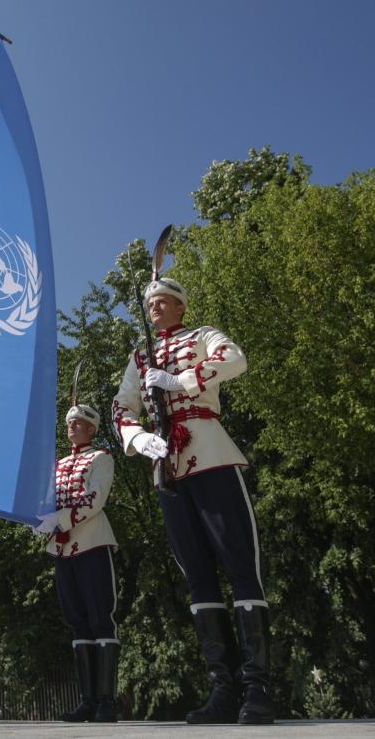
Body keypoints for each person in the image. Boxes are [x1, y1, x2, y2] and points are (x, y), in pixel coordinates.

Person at [111, 276, 273, 725]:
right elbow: (121, 406)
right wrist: (138, 437)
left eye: (164, 302)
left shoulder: (202, 337)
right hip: (169, 466)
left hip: (211, 453)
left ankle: (257, 689)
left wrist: (182, 380)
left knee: (240, 564)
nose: (155, 308)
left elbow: (235, 359)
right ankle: (223, 689)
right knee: (197, 576)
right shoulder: (139, 357)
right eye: (151, 304)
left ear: (181, 307)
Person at [34, 402, 120, 724]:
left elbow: (94, 499)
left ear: (92, 428)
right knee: (77, 622)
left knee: (101, 618)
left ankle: (106, 701)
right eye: (70, 422)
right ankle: (87, 700)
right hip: (63, 551)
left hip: (92, 543)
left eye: (79, 422)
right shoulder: (57, 466)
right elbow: (45, 500)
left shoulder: (101, 458)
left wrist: (59, 519)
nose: (72, 426)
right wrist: (38, 519)